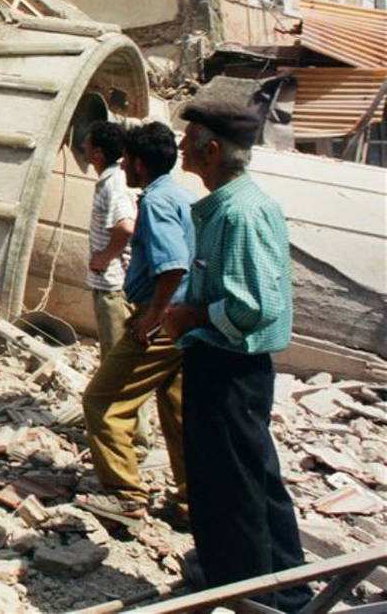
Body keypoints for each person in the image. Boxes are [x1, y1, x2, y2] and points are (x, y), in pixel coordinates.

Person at [163, 100, 312, 612]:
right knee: (245, 476)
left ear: (210, 149)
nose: (181, 149)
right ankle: (268, 583)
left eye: (189, 141)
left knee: (235, 485)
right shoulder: (232, 204)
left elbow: (254, 306)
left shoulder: (239, 211)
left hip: (229, 367)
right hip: (226, 365)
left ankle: (258, 594)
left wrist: (190, 317)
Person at [80, 121, 192, 523]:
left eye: (128, 158)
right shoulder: (179, 195)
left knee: (102, 400)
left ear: (140, 164)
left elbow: (173, 265)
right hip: (183, 323)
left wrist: (152, 317)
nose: (123, 164)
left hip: (161, 322)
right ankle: (190, 502)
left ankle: (126, 494)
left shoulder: (157, 202)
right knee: (178, 414)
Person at [83, 122, 152, 449]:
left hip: (112, 286)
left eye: (86, 145)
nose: (83, 150)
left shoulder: (113, 182)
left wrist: (103, 258)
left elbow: (125, 227)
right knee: (117, 360)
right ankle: (129, 430)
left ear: (97, 151)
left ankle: (132, 438)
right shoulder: (113, 179)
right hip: (113, 283)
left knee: (117, 364)